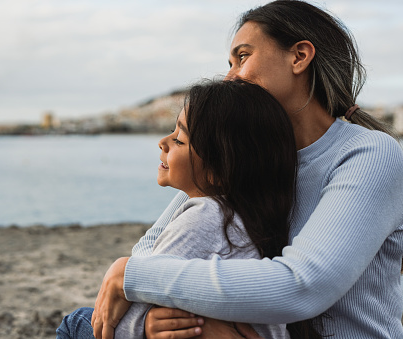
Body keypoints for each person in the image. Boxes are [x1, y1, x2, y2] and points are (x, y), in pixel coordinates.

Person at [91, 1, 403, 338]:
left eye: (242, 57)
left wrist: (133, 276)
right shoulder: (253, 157)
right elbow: (151, 247)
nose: (230, 77)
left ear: (299, 56)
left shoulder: (368, 153)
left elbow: (302, 286)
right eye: (229, 63)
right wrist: (167, 317)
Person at [57, 79, 322, 339]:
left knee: (75, 322)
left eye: (180, 140)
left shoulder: (204, 217)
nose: (163, 142)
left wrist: (143, 326)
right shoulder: (255, 217)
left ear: (220, 169)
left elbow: (134, 307)